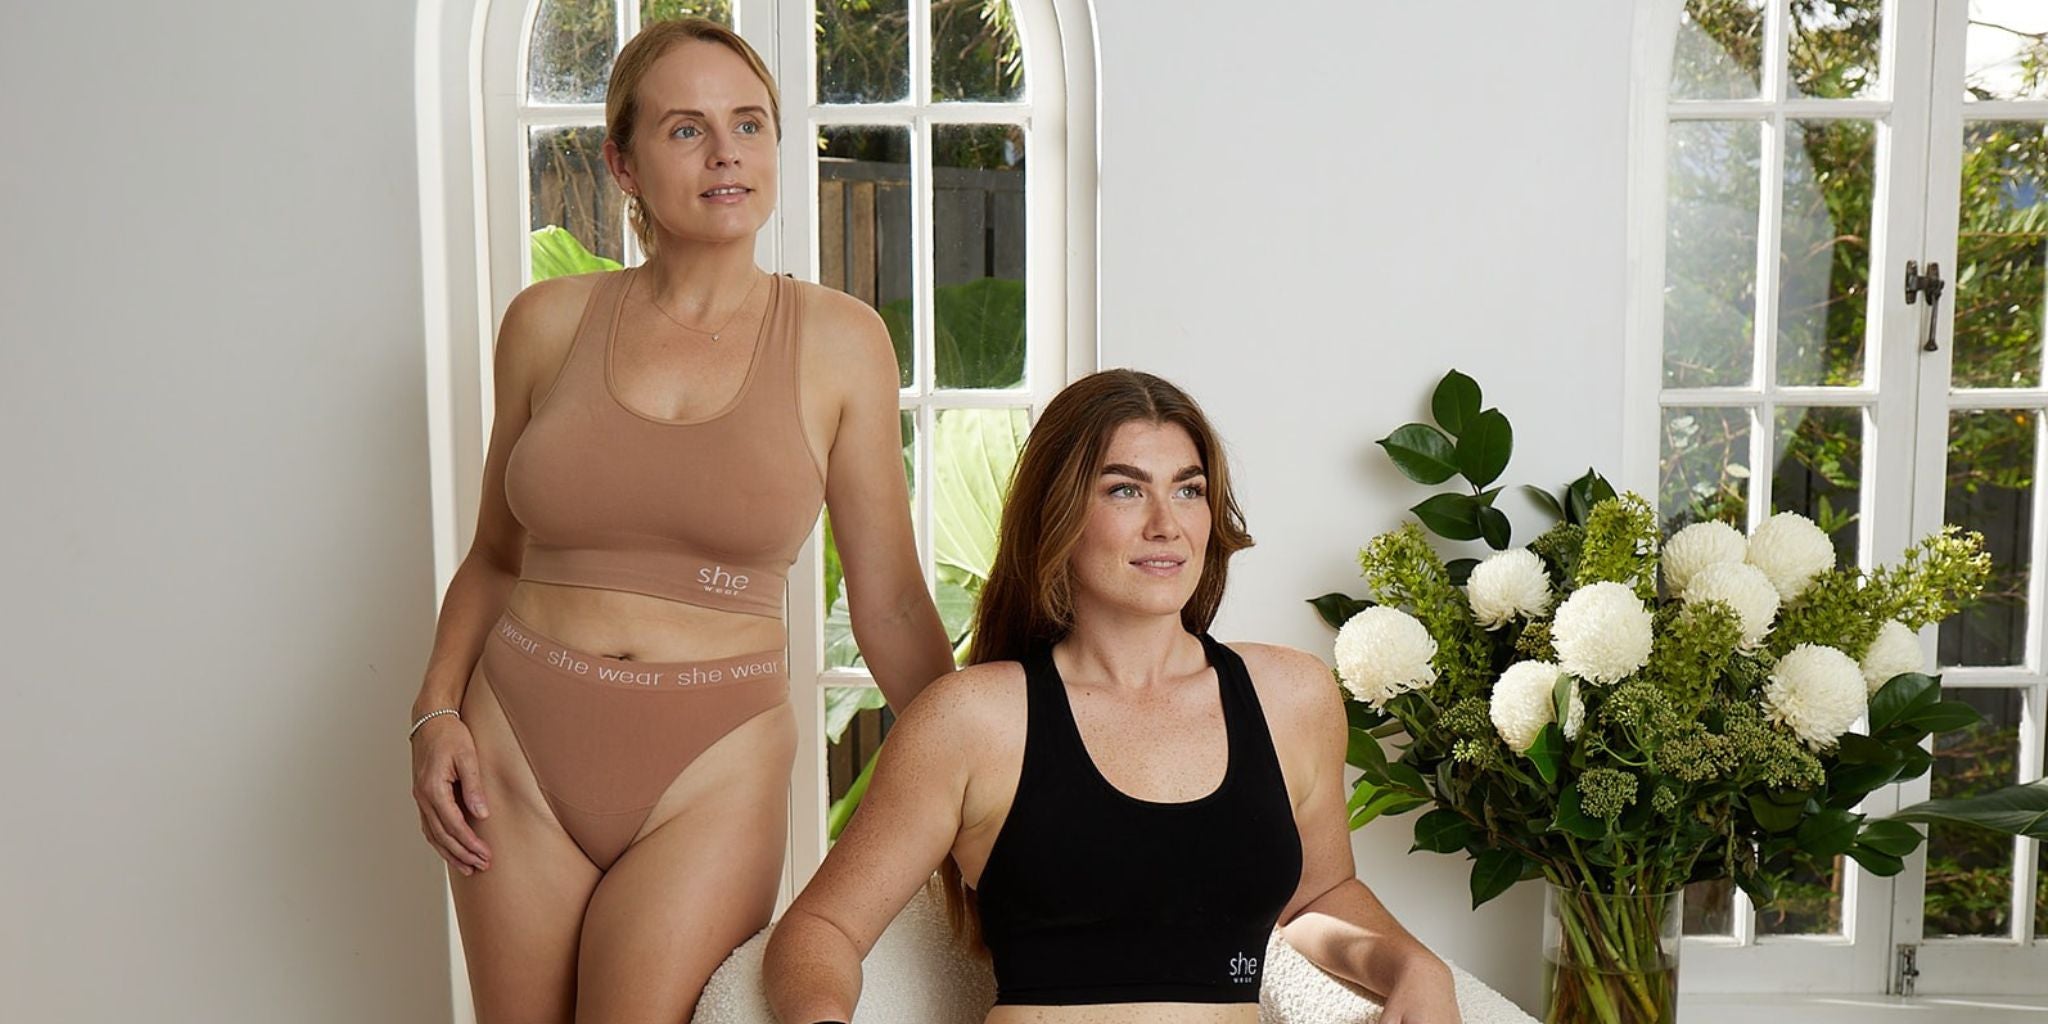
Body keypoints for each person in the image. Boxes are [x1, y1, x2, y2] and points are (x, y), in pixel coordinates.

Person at [405, 19, 954, 1022]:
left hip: (714, 764)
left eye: (748, 124)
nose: (726, 152)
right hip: (517, 744)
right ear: (622, 160)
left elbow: (886, 598)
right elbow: (492, 557)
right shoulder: (546, 323)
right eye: (686, 129)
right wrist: (434, 710)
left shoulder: (840, 342)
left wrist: (979, 777)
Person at [763, 370, 1462, 1024]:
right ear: (1058, 514)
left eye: (1188, 490)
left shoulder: (1291, 696)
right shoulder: (974, 719)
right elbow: (822, 929)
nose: (1167, 523)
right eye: (1125, 490)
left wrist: (1413, 965)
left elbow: (1317, 897)